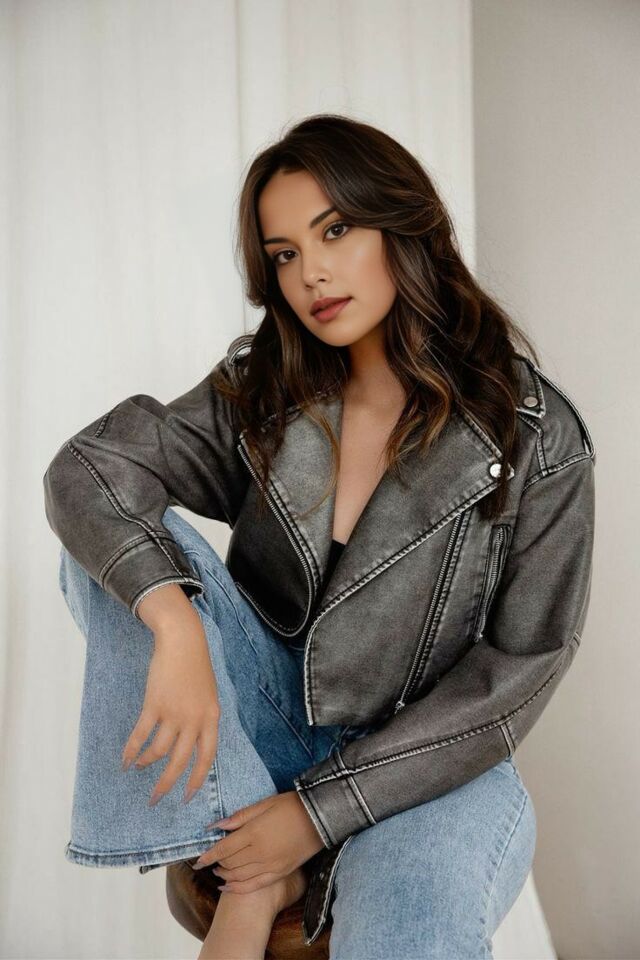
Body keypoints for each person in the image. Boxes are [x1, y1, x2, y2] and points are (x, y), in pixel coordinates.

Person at [43, 114, 596, 960]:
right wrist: (174, 621)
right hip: (271, 736)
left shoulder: (535, 433)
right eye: (284, 253)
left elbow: (519, 670)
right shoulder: (263, 391)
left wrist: (312, 816)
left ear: (403, 224)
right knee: (112, 546)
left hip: (432, 769)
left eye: (335, 230)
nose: (311, 273)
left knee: (409, 932)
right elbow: (89, 470)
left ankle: (271, 862)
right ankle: (247, 866)